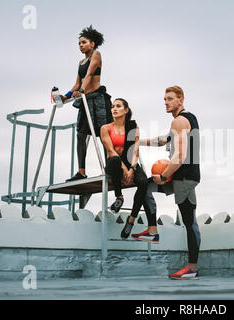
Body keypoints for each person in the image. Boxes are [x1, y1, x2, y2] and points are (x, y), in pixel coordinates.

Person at [140, 86, 201, 279]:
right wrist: (138, 141)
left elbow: (180, 156)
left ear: (180, 99)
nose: (166, 102)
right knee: (144, 186)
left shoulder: (180, 121)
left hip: (183, 177)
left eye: (170, 99)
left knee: (190, 222)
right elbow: (162, 140)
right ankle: (153, 230)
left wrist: (164, 176)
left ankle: (192, 268)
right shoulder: (181, 121)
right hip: (178, 175)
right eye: (164, 99)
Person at [100, 98, 159, 242]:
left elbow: (135, 151)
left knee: (143, 182)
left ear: (126, 110)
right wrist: (125, 168)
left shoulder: (133, 126)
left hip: (129, 161)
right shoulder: (106, 128)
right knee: (114, 160)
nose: (114, 109)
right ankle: (119, 197)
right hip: (113, 164)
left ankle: (131, 220)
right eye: (113, 106)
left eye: (118, 106)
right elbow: (111, 151)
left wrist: (132, 168)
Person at [62, 25, 113, 182]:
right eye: (79, 43)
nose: (81, 45)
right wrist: (66, 96)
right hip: (85, 101)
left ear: (92, 43)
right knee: (80, 135)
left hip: (97, 100)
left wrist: (82, 91)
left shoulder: (96, 55)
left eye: (83, 42)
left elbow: (90, 74)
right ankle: (81, 171)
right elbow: (78, 83)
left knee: (104, 135)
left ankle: (109, 169)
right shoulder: (80, 62)